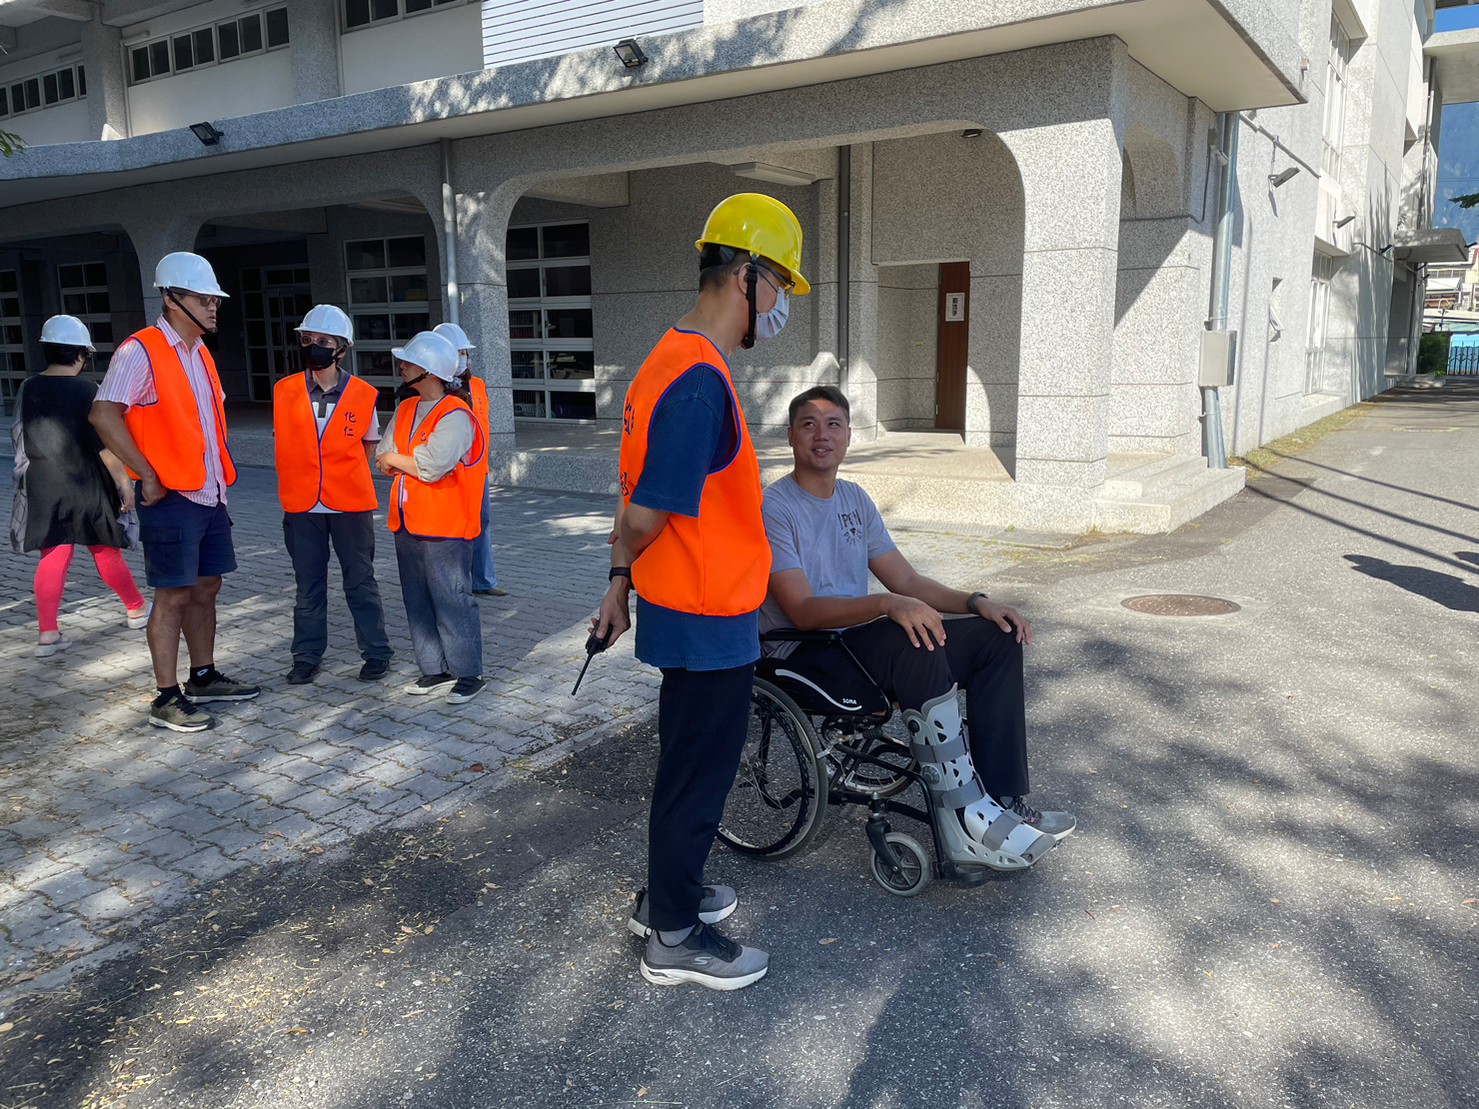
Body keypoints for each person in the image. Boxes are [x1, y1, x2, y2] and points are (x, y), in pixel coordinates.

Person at [593, 193, 810, 991]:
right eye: (779, 283)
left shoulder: (667, 357)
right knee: (699, 773)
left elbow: (634, 497)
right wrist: (624, 564)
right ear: (746, 275)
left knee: (686, 764)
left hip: (685, 603)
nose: (781, 302)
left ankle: (668, 897)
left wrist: (618, 581)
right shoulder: (697, 379)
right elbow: (646, 511)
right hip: (707, 611)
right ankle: (675, 937)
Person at [759, 386, 1075, 873]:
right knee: (912, 637)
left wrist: (978, 602)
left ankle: (1002, 798)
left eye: (834, 424)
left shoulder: (854, 499)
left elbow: (905, 581)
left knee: (995, 638)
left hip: (856, 643)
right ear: (790, 437)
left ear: (848, 436)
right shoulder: (775, 507)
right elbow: (802, 611)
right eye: (809, 424)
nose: (822, 435)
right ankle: (961, 821)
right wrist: (887, 604)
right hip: (803, 653)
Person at [89, 252, 260, 733]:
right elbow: (103, 413)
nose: (213, 307)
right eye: (203, 299)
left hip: (208, 492)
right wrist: (146, 473)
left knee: (206, 587)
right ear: (171, 298)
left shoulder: (200, 352)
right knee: (173, 596)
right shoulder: (140, 350)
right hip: (170, 495)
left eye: (215, 300)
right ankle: (166, 697)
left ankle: (203, 677)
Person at [10, 315, 149, 656]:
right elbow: (105, 447)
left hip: (43, 485)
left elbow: (19, 437)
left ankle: (47, 634)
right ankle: (135, 609)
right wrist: (125, 484)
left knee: (54, 554)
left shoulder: (27, 388)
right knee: (105, 549)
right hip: (86, 483)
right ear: (80, 354)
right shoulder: (88, 391)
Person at [273, 305, 393, 685]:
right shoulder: (283, 391)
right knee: (307, 587)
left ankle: (377, 652)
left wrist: (339, 477)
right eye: (308, 339)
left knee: (360, 582)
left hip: (350, 505)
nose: (314, 346)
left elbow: (368, 446)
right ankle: (306, 656)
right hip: (301, 504)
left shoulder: (364, 394)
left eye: (323, 341)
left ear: (342, 348)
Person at [374, 330, 486, 704]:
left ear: (429, 371)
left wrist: (397, 460)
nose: (401, 366)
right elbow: (382, 458)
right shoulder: (406, 408)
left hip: (445, 524)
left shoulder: (456, 415)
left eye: (408, 362)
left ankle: (468, 674)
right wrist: (402, 461)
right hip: (407, 521)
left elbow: (433, 466)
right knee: (417, 599)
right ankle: (435, 670)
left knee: (452, 598)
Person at [433, 321, 504, 597]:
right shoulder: (435, 389)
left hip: (478, 469)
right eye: (457, 352)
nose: (462, 357)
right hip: (450, 471)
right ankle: (455, 582)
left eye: (464, 352)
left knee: (481, 523)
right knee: (454, 528)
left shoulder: (477, 385)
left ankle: (483, 581)